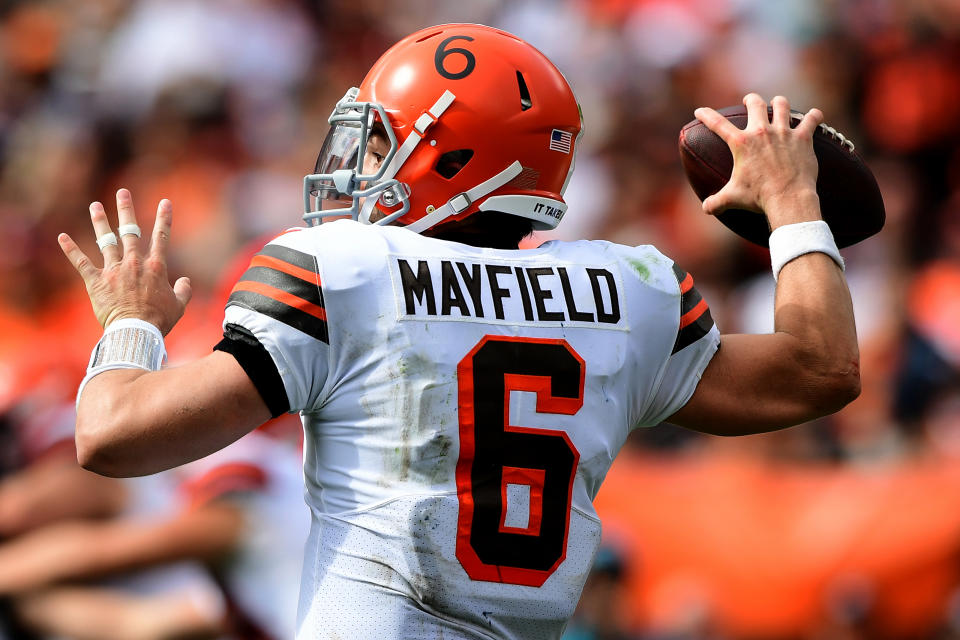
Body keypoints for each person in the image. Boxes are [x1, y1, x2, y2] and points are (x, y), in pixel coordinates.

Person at [59, 23, 860, 640]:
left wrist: (131, 322)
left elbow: (114, 437)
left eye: (380, 138)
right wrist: (794, 206)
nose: (361, 161)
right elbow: (819, 369)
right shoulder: (632, 289)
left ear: (452, 156)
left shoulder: (343, 270)